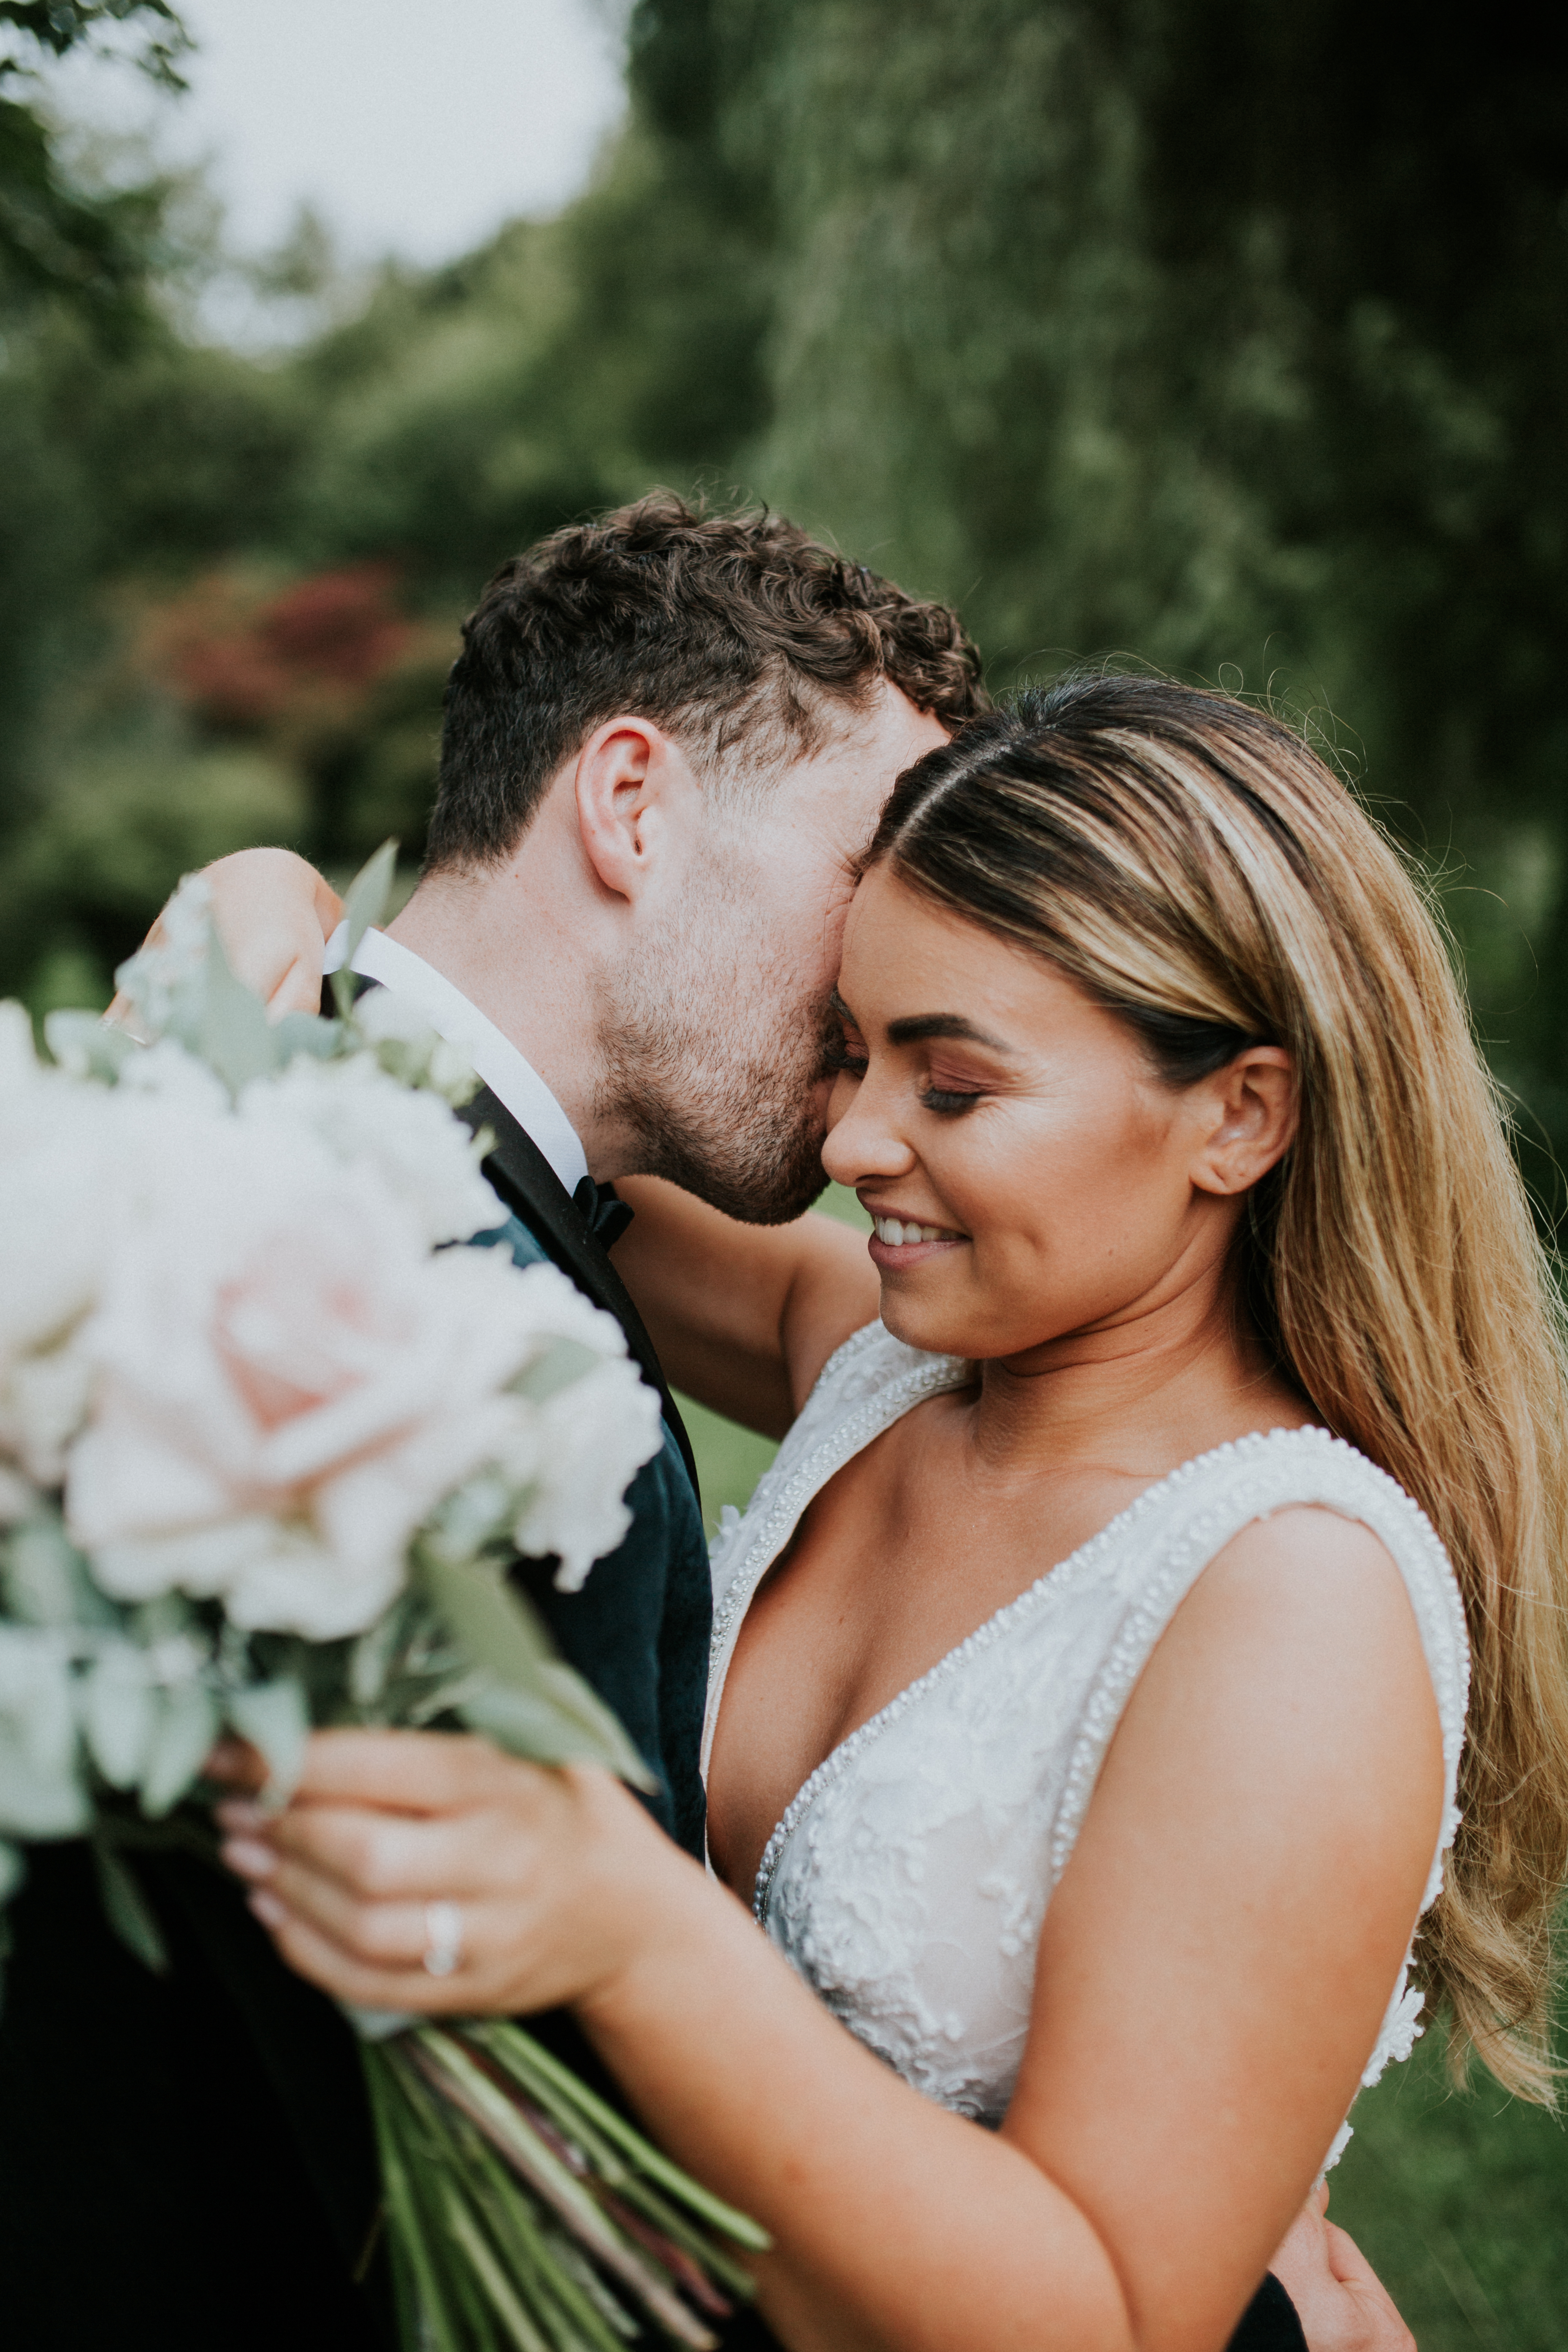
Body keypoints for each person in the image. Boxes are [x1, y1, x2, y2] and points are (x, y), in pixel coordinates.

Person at [196, 674, 1565, 2346]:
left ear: (1236, 1114)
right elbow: (494, 1092)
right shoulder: (880, 1359)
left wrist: (628, 1924)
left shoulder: (1287, 1601)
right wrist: (270, 902)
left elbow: (1114, 2320)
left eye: (950, 1084)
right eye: (853, 1050)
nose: (848, 1137)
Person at [0, 496, 982, 2351]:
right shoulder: (444, 1344)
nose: (887, 976)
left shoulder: (235, 1127)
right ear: (627, 803)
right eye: (869, 863)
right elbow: (572, 2151)